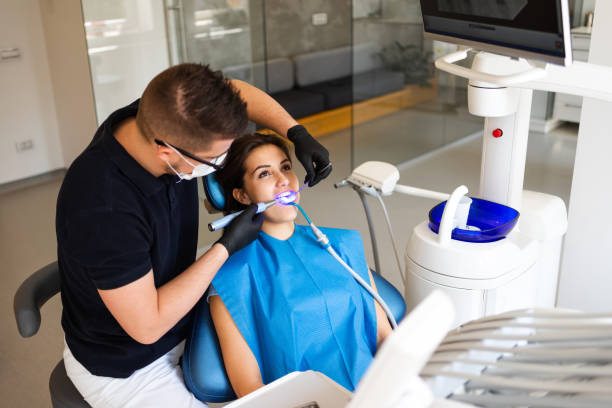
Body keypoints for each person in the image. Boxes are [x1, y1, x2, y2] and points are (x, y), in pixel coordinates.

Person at [55, 63, 331, 408]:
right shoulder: (102, 206)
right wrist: (225, 248)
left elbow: (239, 94)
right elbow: (147, 326)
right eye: (216, 159)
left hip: (190, 323)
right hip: (129, 364)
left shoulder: (165, 112)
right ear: (167, 152)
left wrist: (296, 132)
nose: (221, 165)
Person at [208, 133, 393, 398]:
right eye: (264, 174)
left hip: (379, 392)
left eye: (285, 167)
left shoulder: (342, 245)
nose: (284, 180)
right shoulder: (230, 278)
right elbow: (250, 389)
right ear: (243, 195)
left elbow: (385, 337)